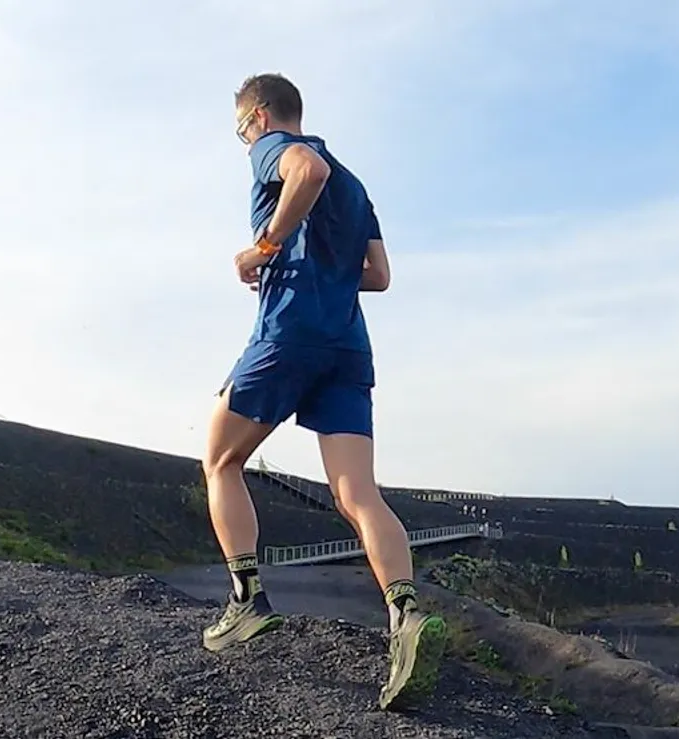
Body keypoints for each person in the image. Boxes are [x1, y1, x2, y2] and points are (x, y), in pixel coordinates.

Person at [199, 72, 443, 712]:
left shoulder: (276, 149)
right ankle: (406, 615)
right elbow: (380, 276)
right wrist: (321, 273)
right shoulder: (359, 185)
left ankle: (247, 600)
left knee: (220, 459)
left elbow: (305, 172)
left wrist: (264, 250)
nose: (242, 140)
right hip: (347, 343)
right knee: (357, 494)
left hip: (290, 334)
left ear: (257, 116)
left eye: (238, 130)